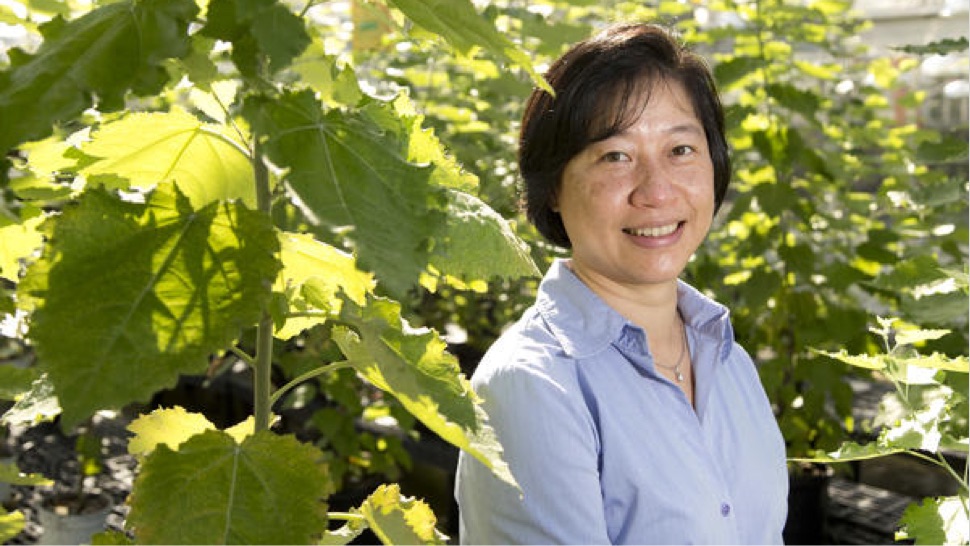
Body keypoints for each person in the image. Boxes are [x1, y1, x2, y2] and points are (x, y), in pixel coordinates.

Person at [454, 22, 788, 544]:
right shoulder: (532, 386)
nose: (656, 191)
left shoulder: (726, 358)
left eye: (680, 150)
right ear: (554, 189)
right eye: (616, 156)